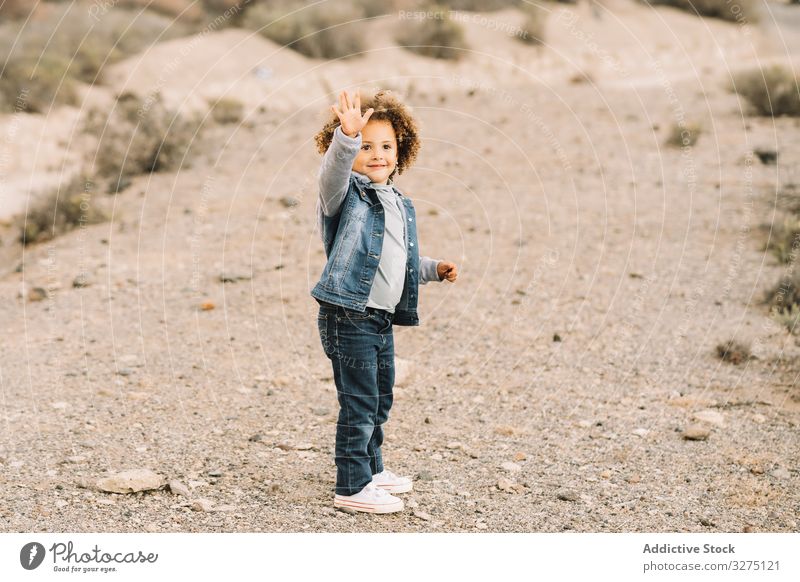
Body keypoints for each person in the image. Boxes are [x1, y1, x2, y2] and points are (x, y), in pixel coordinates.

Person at [312, 89, 458, 514]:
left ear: (402, 151)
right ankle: (351, 485)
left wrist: (433, 269)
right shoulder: (344, 196)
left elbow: (402, 258)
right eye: (367, 146)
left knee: (379, 397)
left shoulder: (398, 202)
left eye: (387, 146)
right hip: (349, 313)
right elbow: (333, 173)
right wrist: (347, 137)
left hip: (379, 319)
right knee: (358, 401)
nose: (377, 154)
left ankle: (372, 470)